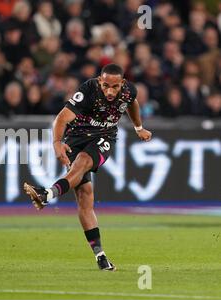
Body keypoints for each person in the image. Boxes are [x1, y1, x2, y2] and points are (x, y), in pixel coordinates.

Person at [24, 64, 152, 271]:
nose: (110, 91)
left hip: (104, 138)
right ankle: (100, 256)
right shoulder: (87, 90)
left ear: (123, 84)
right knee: (84, 196)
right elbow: (62, 118)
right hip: (75, 138)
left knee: (82, 162)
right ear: (100, 81)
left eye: (115, 87)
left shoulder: (129, 91)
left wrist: (139, 127)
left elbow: (132, 103)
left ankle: (47, 194)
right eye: (106, 86)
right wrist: (57, 143)